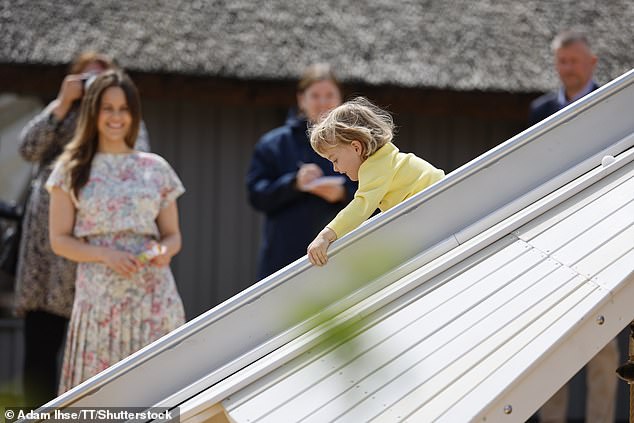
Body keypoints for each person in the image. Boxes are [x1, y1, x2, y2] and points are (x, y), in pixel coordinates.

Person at [14, 51, 150, 406]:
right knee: (42, 345)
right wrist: (62, 102)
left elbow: (140, 168)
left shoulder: (125, 120)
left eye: (100, 80)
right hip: (47, 252)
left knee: (97, 351)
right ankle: (36, 414)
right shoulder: (62, 114)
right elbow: (27, 148)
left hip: (98, 251)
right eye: (86, 80)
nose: (93, 89)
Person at [46, 69, 185, 393]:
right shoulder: (70, 169)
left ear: (134, 114)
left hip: (154, 296)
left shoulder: (156, 168)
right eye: (108, 108)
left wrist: (165, 251)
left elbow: (173, 234)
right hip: (99, 299)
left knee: (159, 390)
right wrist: (105, 255)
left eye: (123, 109)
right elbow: (59, 240)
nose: (116, 117)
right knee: (101, 396)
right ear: (93, 111)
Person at [529, 31, 619, 423]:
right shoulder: (540, 109)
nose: (568, 69)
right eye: (562, 61)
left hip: (604, 232)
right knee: (554, 343)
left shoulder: (614, 105)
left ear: (593, 62)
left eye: (575, 61)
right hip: (553, 235)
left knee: (604, 344)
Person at [246, 63, 357, 279]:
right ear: (301, 99)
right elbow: (256, 196)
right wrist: (293, 183)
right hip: (284, 258)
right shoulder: (273, 144)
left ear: (340, 99)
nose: (322, 102)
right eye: (315, 95)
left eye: (329, 95)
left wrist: (344, 193)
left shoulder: (356, 143)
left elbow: (379, 194)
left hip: (342, 253)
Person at [307, 97, 445, 266]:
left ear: (356, 148)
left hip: (438, 202)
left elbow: (361, 206)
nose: (335, 168)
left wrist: (326, 235)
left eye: (334, 159)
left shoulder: (376, 166)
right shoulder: (386, 160)